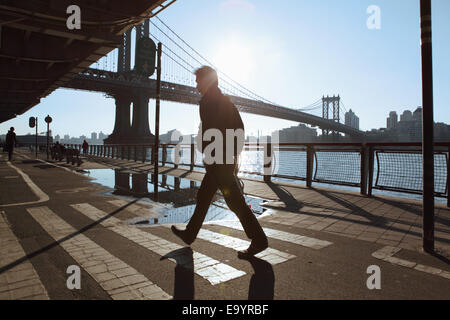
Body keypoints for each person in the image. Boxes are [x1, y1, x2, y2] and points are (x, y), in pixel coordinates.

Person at [171, 66, 268, 257]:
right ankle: (190, 234)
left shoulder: (214, 102)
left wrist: (225, 153)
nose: (196, 84)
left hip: (220, 161)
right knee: (204, 197)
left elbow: (230, 130)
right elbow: (235, 128)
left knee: (235, 202)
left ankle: (259, 240)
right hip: (219, 160)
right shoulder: (217, 101)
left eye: (198, 80)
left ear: (206, 81)